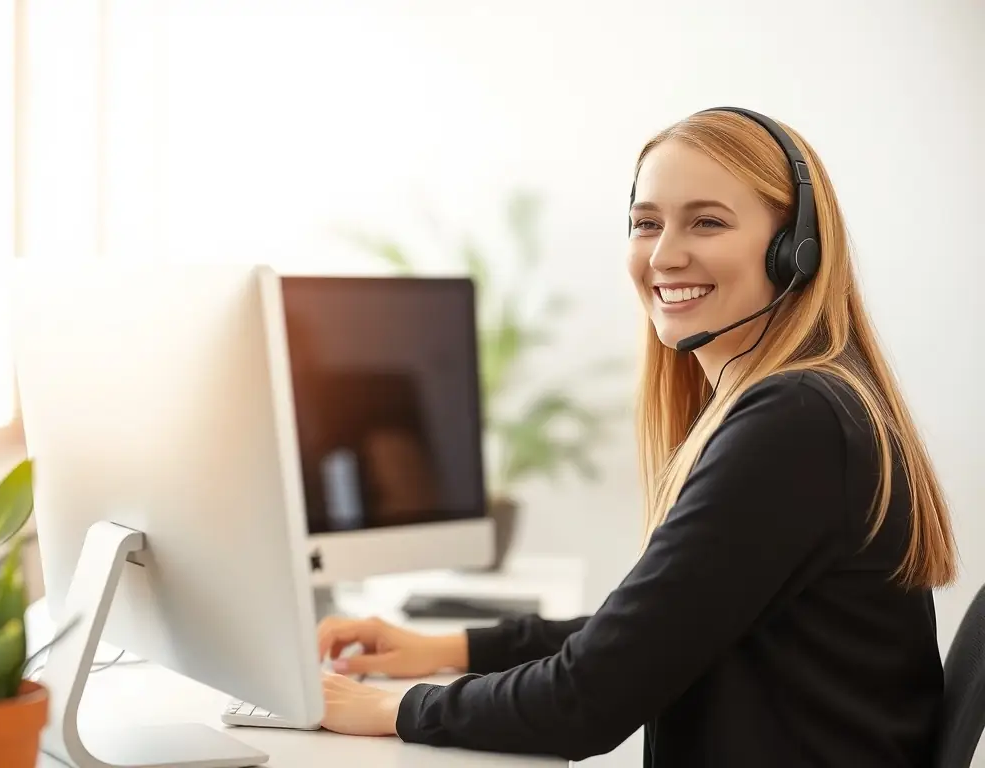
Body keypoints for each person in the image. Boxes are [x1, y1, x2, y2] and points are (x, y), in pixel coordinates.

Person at [312, 107, 958, 767]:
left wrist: (394, 709)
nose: (664, 254)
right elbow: (654, 632)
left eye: (707, 221)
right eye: (646, 223)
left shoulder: (794, 422)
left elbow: (585, 702)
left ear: (796, 249)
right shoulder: (809, 402)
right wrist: (447, 650)